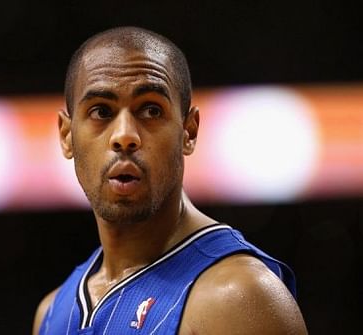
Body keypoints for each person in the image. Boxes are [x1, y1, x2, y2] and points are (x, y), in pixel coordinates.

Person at [33, 26, 308, 335]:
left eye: (151, 110)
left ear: (188, 132)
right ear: (67, 136)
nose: (125, 135)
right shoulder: (53, 311)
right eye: (101, 111)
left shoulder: (237, 297)